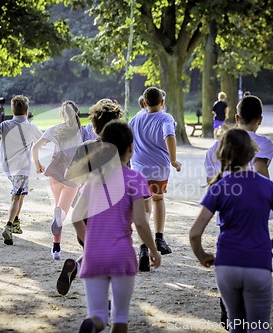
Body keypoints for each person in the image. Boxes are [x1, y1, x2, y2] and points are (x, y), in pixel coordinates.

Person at [190, 128, 273, 333]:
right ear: (252, 152)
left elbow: (195, 233)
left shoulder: (220, 186)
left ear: (223, 154)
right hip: (258, 264)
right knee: (258, 327)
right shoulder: (267, 186)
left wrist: (202, 256)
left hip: (227, 264)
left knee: (235, 325)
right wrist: (268, 244)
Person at [76, 121, 161, 333]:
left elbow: (77, 218)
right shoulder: (135, 179)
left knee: (97, 315)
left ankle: (92, 325)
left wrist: (89, 244)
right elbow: (141, 222)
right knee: (120, 318)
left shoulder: (92, 180)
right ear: (131, 148)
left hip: (94, 254)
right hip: (121, 254)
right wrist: (153, 249)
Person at [203, 94, 273, 329]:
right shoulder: (264, 144)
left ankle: (229, 305)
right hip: (255, 208)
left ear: (236, 117)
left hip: (226, 208)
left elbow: (211, 183)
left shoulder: (216, 147)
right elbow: (261, 171)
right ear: (260, 119)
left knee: (227, 244)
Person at [56, 98, 124, 295]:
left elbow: (69, 176)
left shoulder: (85, 147)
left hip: (85, 209)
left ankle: (76, 267)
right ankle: (103, 301)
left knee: (94, 250)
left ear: (93, 126)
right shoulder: (119, 150)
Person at [32, 101, 95, 260]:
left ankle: (56, 248)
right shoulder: (83, 132)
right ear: (76, 112)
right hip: (73, 174)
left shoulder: (55, 129)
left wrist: (38, 164)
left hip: (54, 173)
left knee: (58, 207)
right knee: (63, 210)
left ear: (62, 114)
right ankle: (69, 239)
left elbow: (35, 148)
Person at [0, 95, 42, 245]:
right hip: (22, 168)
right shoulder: (31, 127)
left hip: (8, 168)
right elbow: (43, 140)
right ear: (27, 111)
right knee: (17, 196)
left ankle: (16, 222)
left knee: (20, 194)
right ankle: (8, 226)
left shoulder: (5, 125)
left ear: (12, 110)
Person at [129, 86, 182, 272]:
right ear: (162, 103)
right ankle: (159, 236)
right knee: (158, 199)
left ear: (144, 103)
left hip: (138, 169)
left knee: (144, 207)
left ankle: (143, 248)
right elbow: (170, 136)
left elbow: (128, 140)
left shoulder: (135, 119)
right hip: (159, 169)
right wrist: (174, 160)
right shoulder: (165, 117)